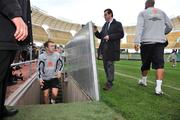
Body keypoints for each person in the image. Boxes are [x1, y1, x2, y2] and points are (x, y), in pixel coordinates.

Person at [0, 0, 32, 118]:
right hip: (3, 36)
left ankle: (1, 109)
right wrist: (16, 16)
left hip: (9, 39)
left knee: (3, 79)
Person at [134, 0, 173, 95]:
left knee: (145, 63)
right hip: (159, 42)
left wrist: (136, 41)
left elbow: (139, 27)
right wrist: (161, 32)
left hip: (146, 42)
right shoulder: (162, 12)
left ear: (147, 4)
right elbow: (170, 26)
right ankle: (158, 89)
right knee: (160, 64)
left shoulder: (142, 13)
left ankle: (144, 81)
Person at [94, 8, 124, 91]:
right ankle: (109, 80)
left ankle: (109, 83)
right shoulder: (105, 25)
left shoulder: (118, 24)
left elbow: (121, 34)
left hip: (112, 49)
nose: (104, 16)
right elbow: (101, 36)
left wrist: (110, 37)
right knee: (105, 66)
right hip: (104, 48)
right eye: (104, 15)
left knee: (110, 65)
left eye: (105, 14)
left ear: (110, 14)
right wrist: (96, 31)